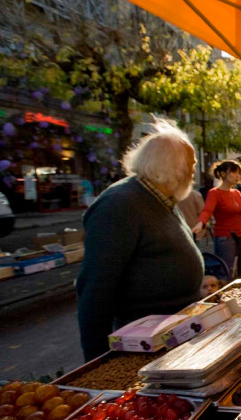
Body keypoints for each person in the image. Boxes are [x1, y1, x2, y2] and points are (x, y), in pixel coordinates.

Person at [76, 123, 204, 360]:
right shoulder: (119, 204)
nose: (194, 170)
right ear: (172, 166)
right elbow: (95, 290)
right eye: (191, 164)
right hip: (143, 344)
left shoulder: (162, 199)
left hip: (175, 333)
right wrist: (98, 362)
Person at [193, 160, 241, 279]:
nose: (238, 176)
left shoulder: (237, 193)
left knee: (240, 273)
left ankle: (238, 295)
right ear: (223, 174)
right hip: (226, 237)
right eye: (234, 172)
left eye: (239, 173)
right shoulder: (214, 193)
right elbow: (207, 210)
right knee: (227, 273)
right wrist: (200, 223)